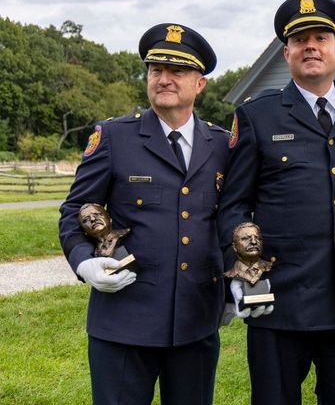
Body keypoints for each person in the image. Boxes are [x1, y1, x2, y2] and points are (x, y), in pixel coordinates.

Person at [216, 0, 335, 405]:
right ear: (286, 53)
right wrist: (242, 272)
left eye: (320, 37)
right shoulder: (257, 115)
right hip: (279, 300)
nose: (310, 46)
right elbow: (234, 205)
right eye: (300, 40)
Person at [58, 22, 229, 405]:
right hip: (124, 322)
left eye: (177, 71)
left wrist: (234, 287)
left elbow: (230, 219)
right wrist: (84, 262)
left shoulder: (220, 144)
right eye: (156, 70)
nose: (164, 79)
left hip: (196, 322)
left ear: (199, 83)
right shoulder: (114, 137)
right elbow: (75, 209)